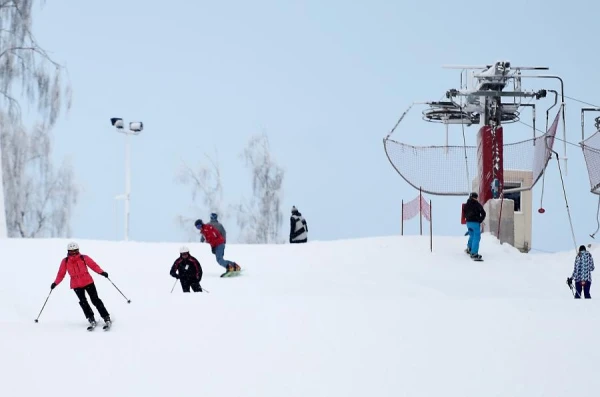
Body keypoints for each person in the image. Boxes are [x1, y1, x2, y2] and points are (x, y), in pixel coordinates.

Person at [50, 242, 111, 328]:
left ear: (78, 250)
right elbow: (61, 274)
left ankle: (106, 317)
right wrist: (55, 283)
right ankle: (91, 318)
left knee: (95, 300)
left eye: (75, 251)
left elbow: (94, 266)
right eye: (71, 252)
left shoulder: (84, 257)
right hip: (76, 285)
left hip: (88, 282)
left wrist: (101, 272)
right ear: (68, 251)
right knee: (83, 302)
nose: (74, 253)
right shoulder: (65, 261)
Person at [463, 192, 486, 259]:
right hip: (475, 223)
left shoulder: (466, 204)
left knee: (472, 235)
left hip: (468, 223)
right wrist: (480, 220)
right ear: (476, 197)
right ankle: (474, 253)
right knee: (476, 237)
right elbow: (483, 213)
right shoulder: (477, 204)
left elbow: (464, 213)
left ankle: (469, 248)